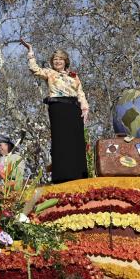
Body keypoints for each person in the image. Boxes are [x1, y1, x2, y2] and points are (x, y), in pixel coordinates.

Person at [22, 40, 89, 183]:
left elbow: (80, 92)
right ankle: (62, 174)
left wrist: (85, 107)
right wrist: (30, 52)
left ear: (66, 61)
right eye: (55, 59)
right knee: (61, 139)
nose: (57, 62)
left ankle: (79, 173)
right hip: (58, 108)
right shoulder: (49, 72)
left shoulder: (73, 75)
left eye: (60, 59)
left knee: (76, 140)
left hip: (73, 108)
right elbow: (34, 69)